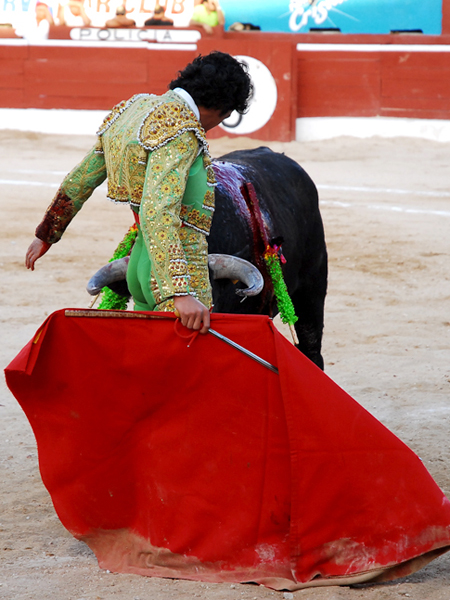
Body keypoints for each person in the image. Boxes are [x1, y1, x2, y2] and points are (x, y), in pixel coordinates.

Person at [25, 52, 253, 334]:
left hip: (138, 267)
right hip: (178, 273)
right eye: (226, 116)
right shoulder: (182, 130)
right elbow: (158, 211)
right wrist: (179, 291)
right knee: (185, 357)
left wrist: (46, 233)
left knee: (146, 355)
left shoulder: (132, 108)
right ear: (222, 108)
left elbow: (81, 178)